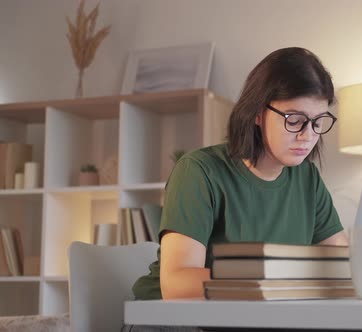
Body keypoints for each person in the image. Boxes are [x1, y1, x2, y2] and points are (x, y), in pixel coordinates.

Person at [131, 47, 348, 303]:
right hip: (168, 320)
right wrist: (267, 282)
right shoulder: (200, 171)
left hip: (253, 319)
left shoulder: (307, 179)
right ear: (258, 113)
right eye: (294, 119)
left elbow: (342, 268)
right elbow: (176, 284)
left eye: (318, 121)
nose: (307, 135)